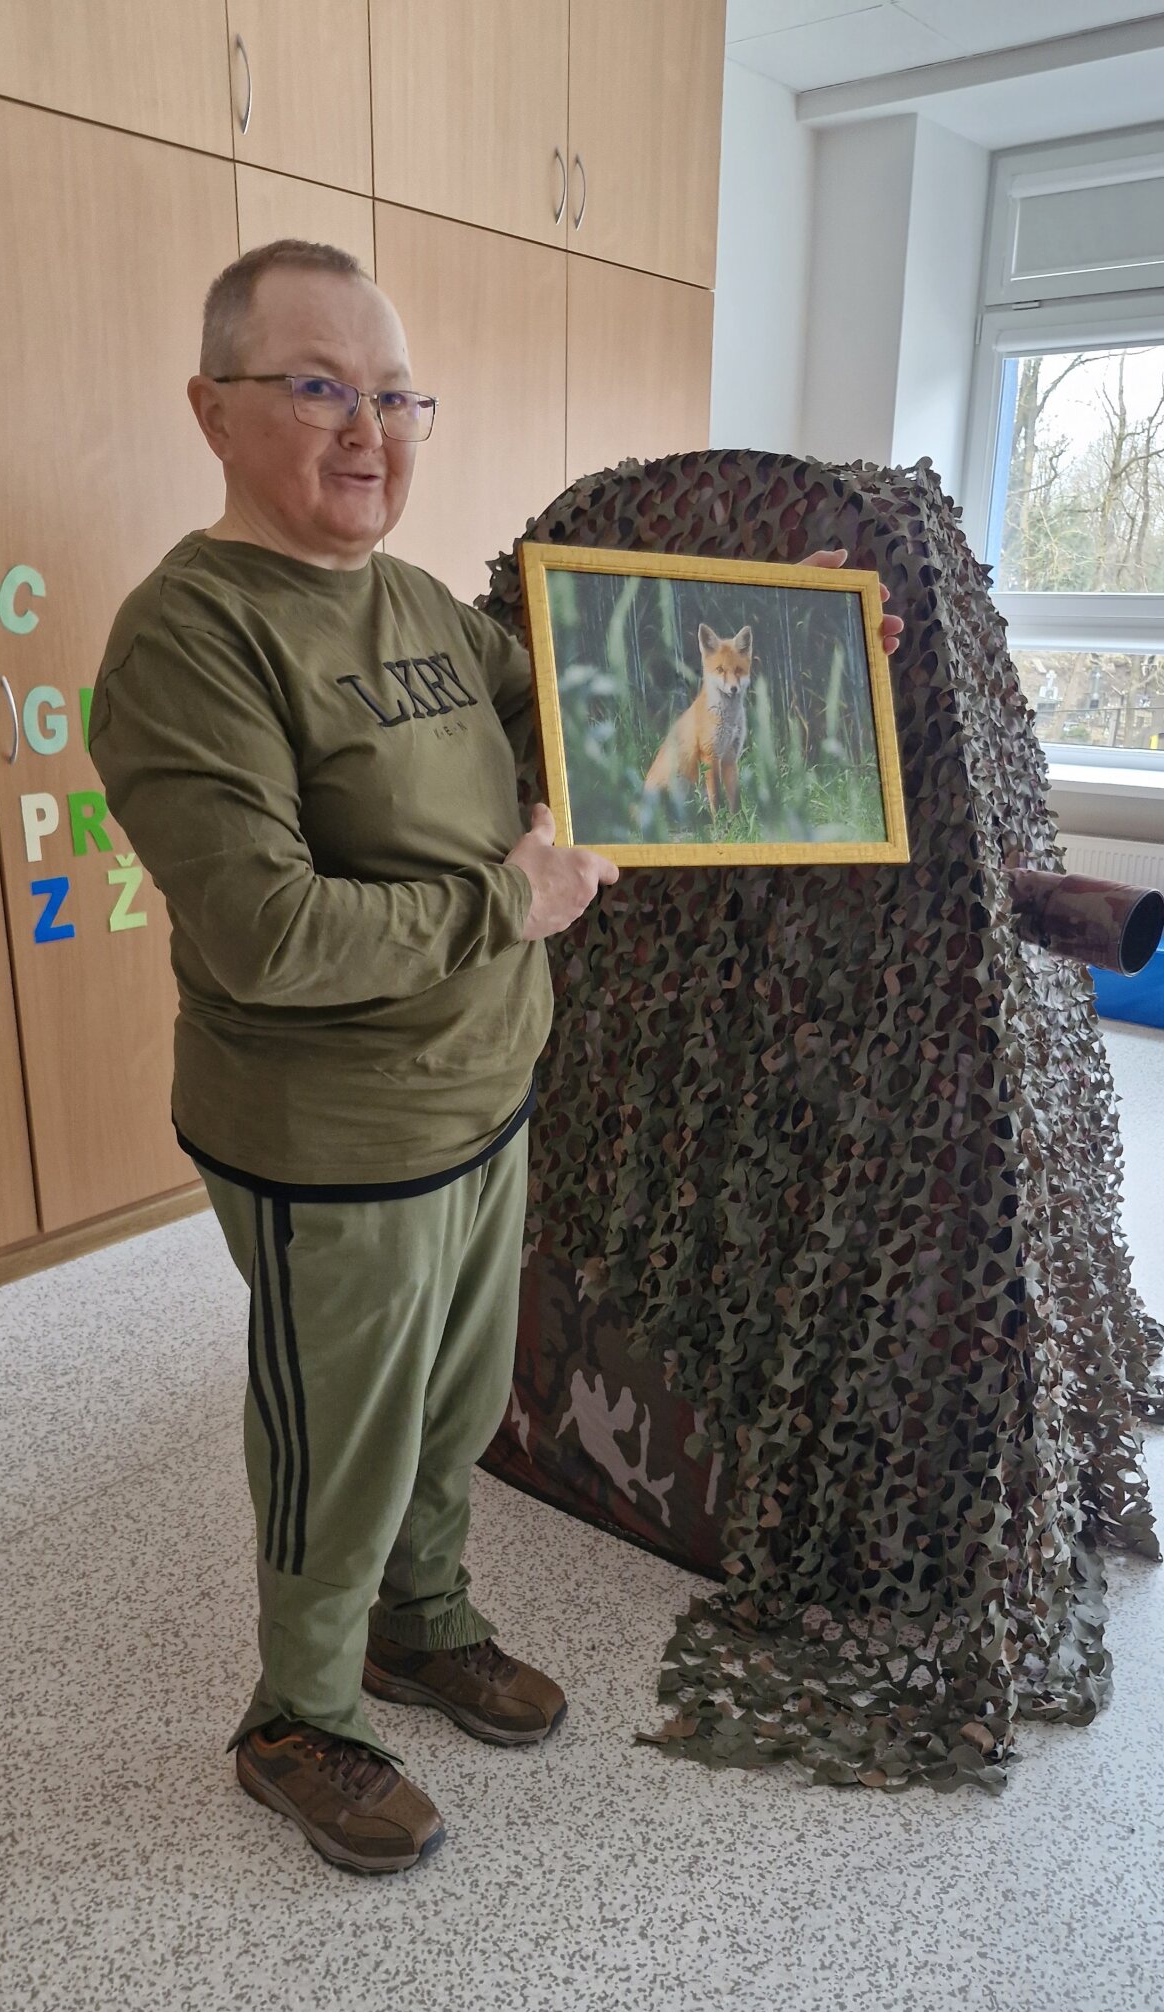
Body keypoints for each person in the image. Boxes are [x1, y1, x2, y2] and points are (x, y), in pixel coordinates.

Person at [90, 238, 902, 1879]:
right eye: (318, 387)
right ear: (213, 408)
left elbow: (601, 743)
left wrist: (786, 648)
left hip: (482, 1095)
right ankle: (298, 1716)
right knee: (342, 1438)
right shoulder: (190, 636)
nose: (368, 430)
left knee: (457, 1404)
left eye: (397, 397)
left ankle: (423, 1620)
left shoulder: (420, 609)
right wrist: (504, 904)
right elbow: (265, 932)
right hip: (330, 1136)